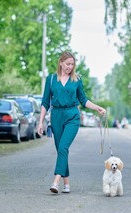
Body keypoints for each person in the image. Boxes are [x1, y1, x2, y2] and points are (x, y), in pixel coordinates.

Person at [37, 51, 106, 194]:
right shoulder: (50, 80)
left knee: (63, 146)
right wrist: (40, 122)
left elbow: (84, 100)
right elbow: (45, 102)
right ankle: (67, 183)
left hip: (72, 116)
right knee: (61, 150)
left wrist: (97, 107)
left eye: (72, 64)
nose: (70, 67)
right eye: (67, 64)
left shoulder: (77, 80)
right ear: (61, 63)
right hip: (56, 116)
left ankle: (56, 182)